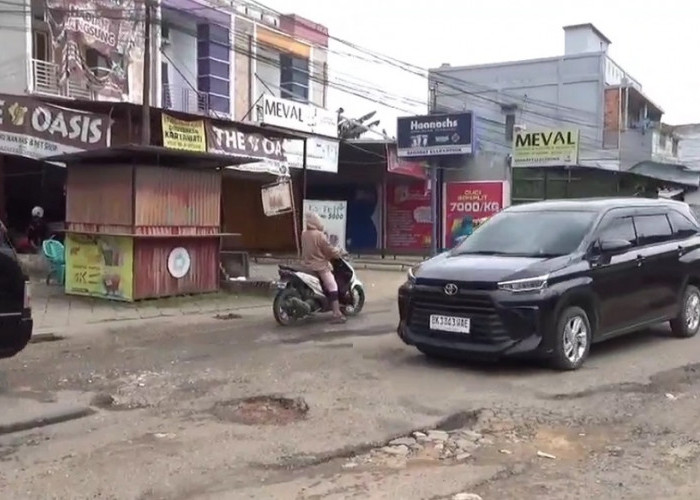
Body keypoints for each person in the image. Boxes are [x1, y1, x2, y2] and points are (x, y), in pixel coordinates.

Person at [301, 212, 346, 324]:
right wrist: (339, 252)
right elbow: (329, 250)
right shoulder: (319, 235)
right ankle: (336, 313)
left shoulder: (304, 234)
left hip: (306, 265)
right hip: (320, 266)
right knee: (332, 285)